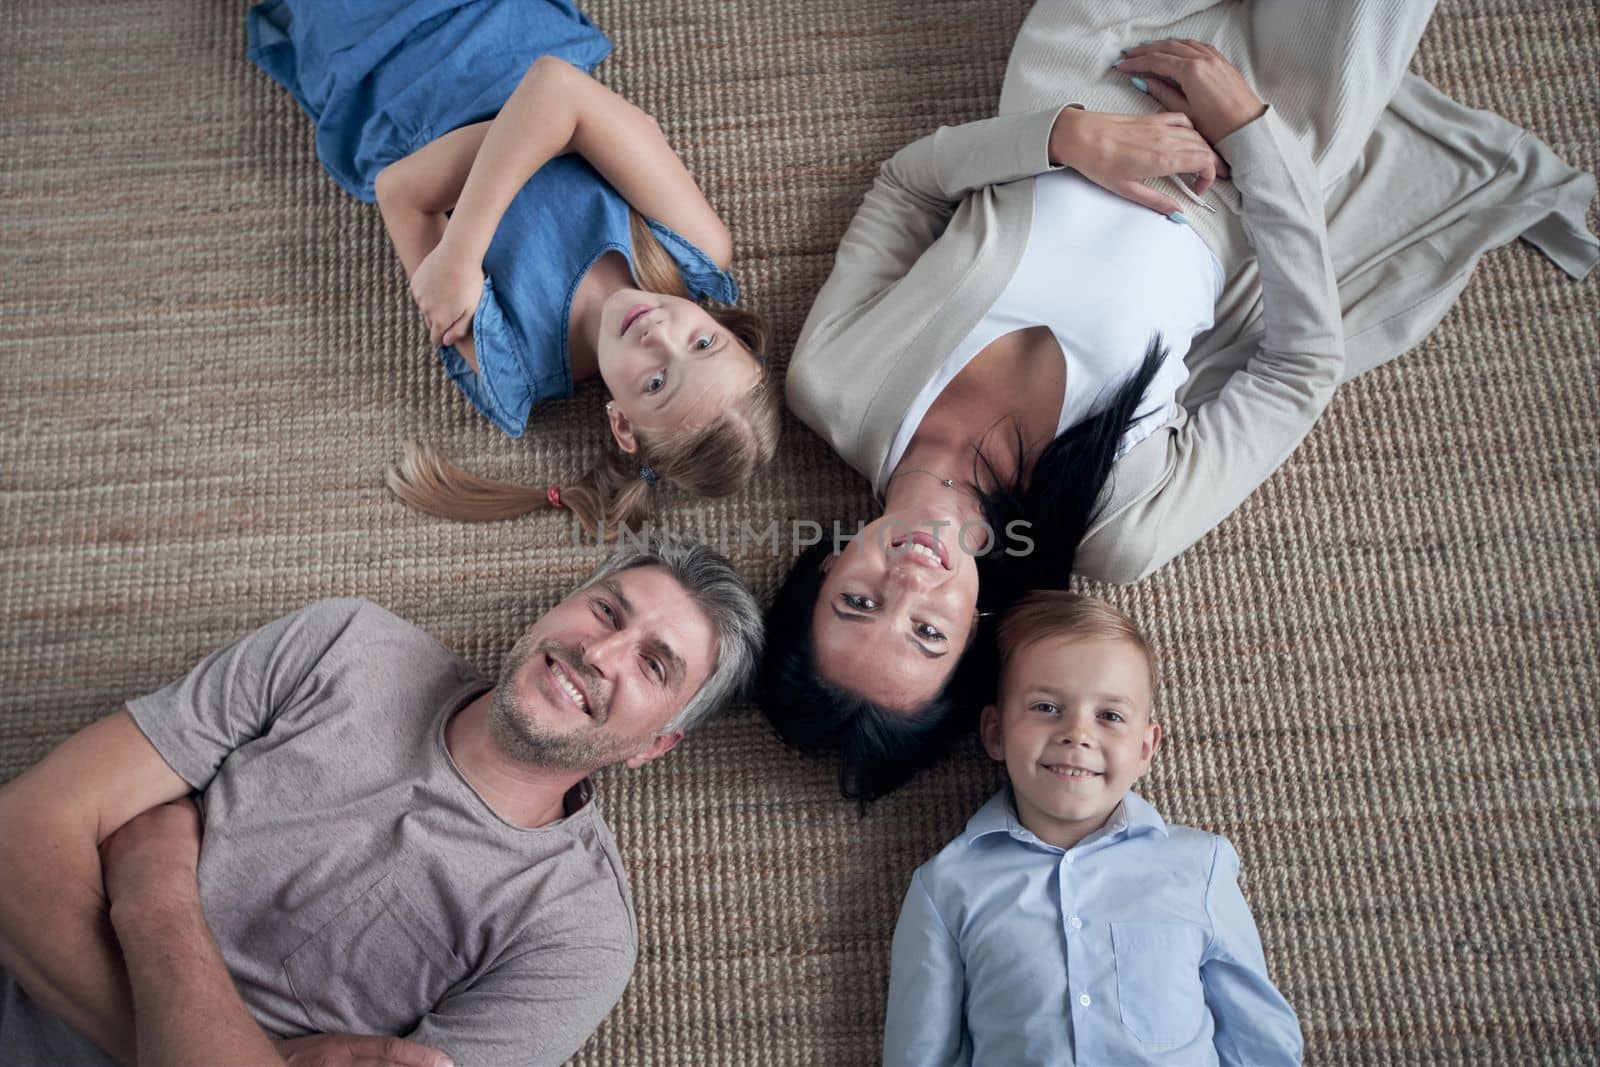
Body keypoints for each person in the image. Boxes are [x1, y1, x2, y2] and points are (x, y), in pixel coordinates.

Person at [760, 1, 1597, 803]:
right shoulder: (1112, 529)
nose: (908, 580)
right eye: (927, 633)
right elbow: (1298, 368)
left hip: (1084, 61)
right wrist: (1253, 139)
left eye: (861, 601)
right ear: (977, 633)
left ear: (827, 566)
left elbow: (907, 185)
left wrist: (1069, 138)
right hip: (1251, 163)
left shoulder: (831, 380)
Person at [0, 536, 763, 1067]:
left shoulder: (577, 933)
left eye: (653, 664)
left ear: (653, 745)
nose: (599, 654)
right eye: (606, 610)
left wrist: (154, 889)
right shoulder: (346, 645)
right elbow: (19, 838)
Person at [246, 0, 781, 534]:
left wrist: (560, 135)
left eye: (658, 382)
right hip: (499, 25)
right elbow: (552, 83)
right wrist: (459, 250)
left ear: (623, 424)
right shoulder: (696, 247)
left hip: (383, 80)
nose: (659, 334)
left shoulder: (511, 368)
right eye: (704, 343)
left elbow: (401, 191)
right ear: (724, 327)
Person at [882, 591, 1303, 1066]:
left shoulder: (1198, 866)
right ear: (996, 732)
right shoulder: (946, 887)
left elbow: (1260, 1039)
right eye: (1045, 707)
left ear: (1145, 748)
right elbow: (919, 1056)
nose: (1077, 733)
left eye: (1110, 716)